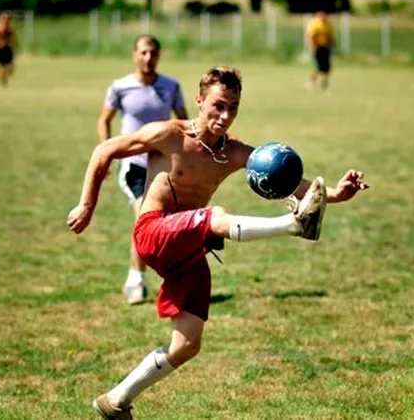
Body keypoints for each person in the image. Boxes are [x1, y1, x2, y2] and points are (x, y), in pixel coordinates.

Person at [67, 66, 368, 419]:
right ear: (199, 101)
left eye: (233, 107)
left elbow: (298, 185)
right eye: (218, 105)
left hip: (190, 248)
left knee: (187, 344)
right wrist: (87, 204)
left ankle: (116, 400)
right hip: (153, 232)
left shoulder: (235, 153)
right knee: (216, 216)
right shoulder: (169, 134)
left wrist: (337, 194)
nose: (225, 116)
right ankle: (292, 225)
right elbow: (104, 150)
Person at [97, 35, 189, 305]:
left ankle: (166, 280)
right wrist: (107, 153)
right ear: (134, 54)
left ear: (159, 56)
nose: (148, 58)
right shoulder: (120, 87)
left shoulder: (171, 86)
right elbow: (104, 120)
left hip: (163, 168)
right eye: (143, 53)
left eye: (153, 53)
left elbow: (183, 121)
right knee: (144, 220)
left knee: (163, 226)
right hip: (134, 166)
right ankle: (135, 279)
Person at [306, 10, 335, 93]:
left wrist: (332, 44)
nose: (323, 17)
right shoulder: (315, 24)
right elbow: (311, 37)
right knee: (319, 67)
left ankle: (324, 84)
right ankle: (311, 81)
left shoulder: (328, 24)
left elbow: (330, 36)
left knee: (327, 68)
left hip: (325, 47)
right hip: (317, 47)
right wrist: (312, 48)